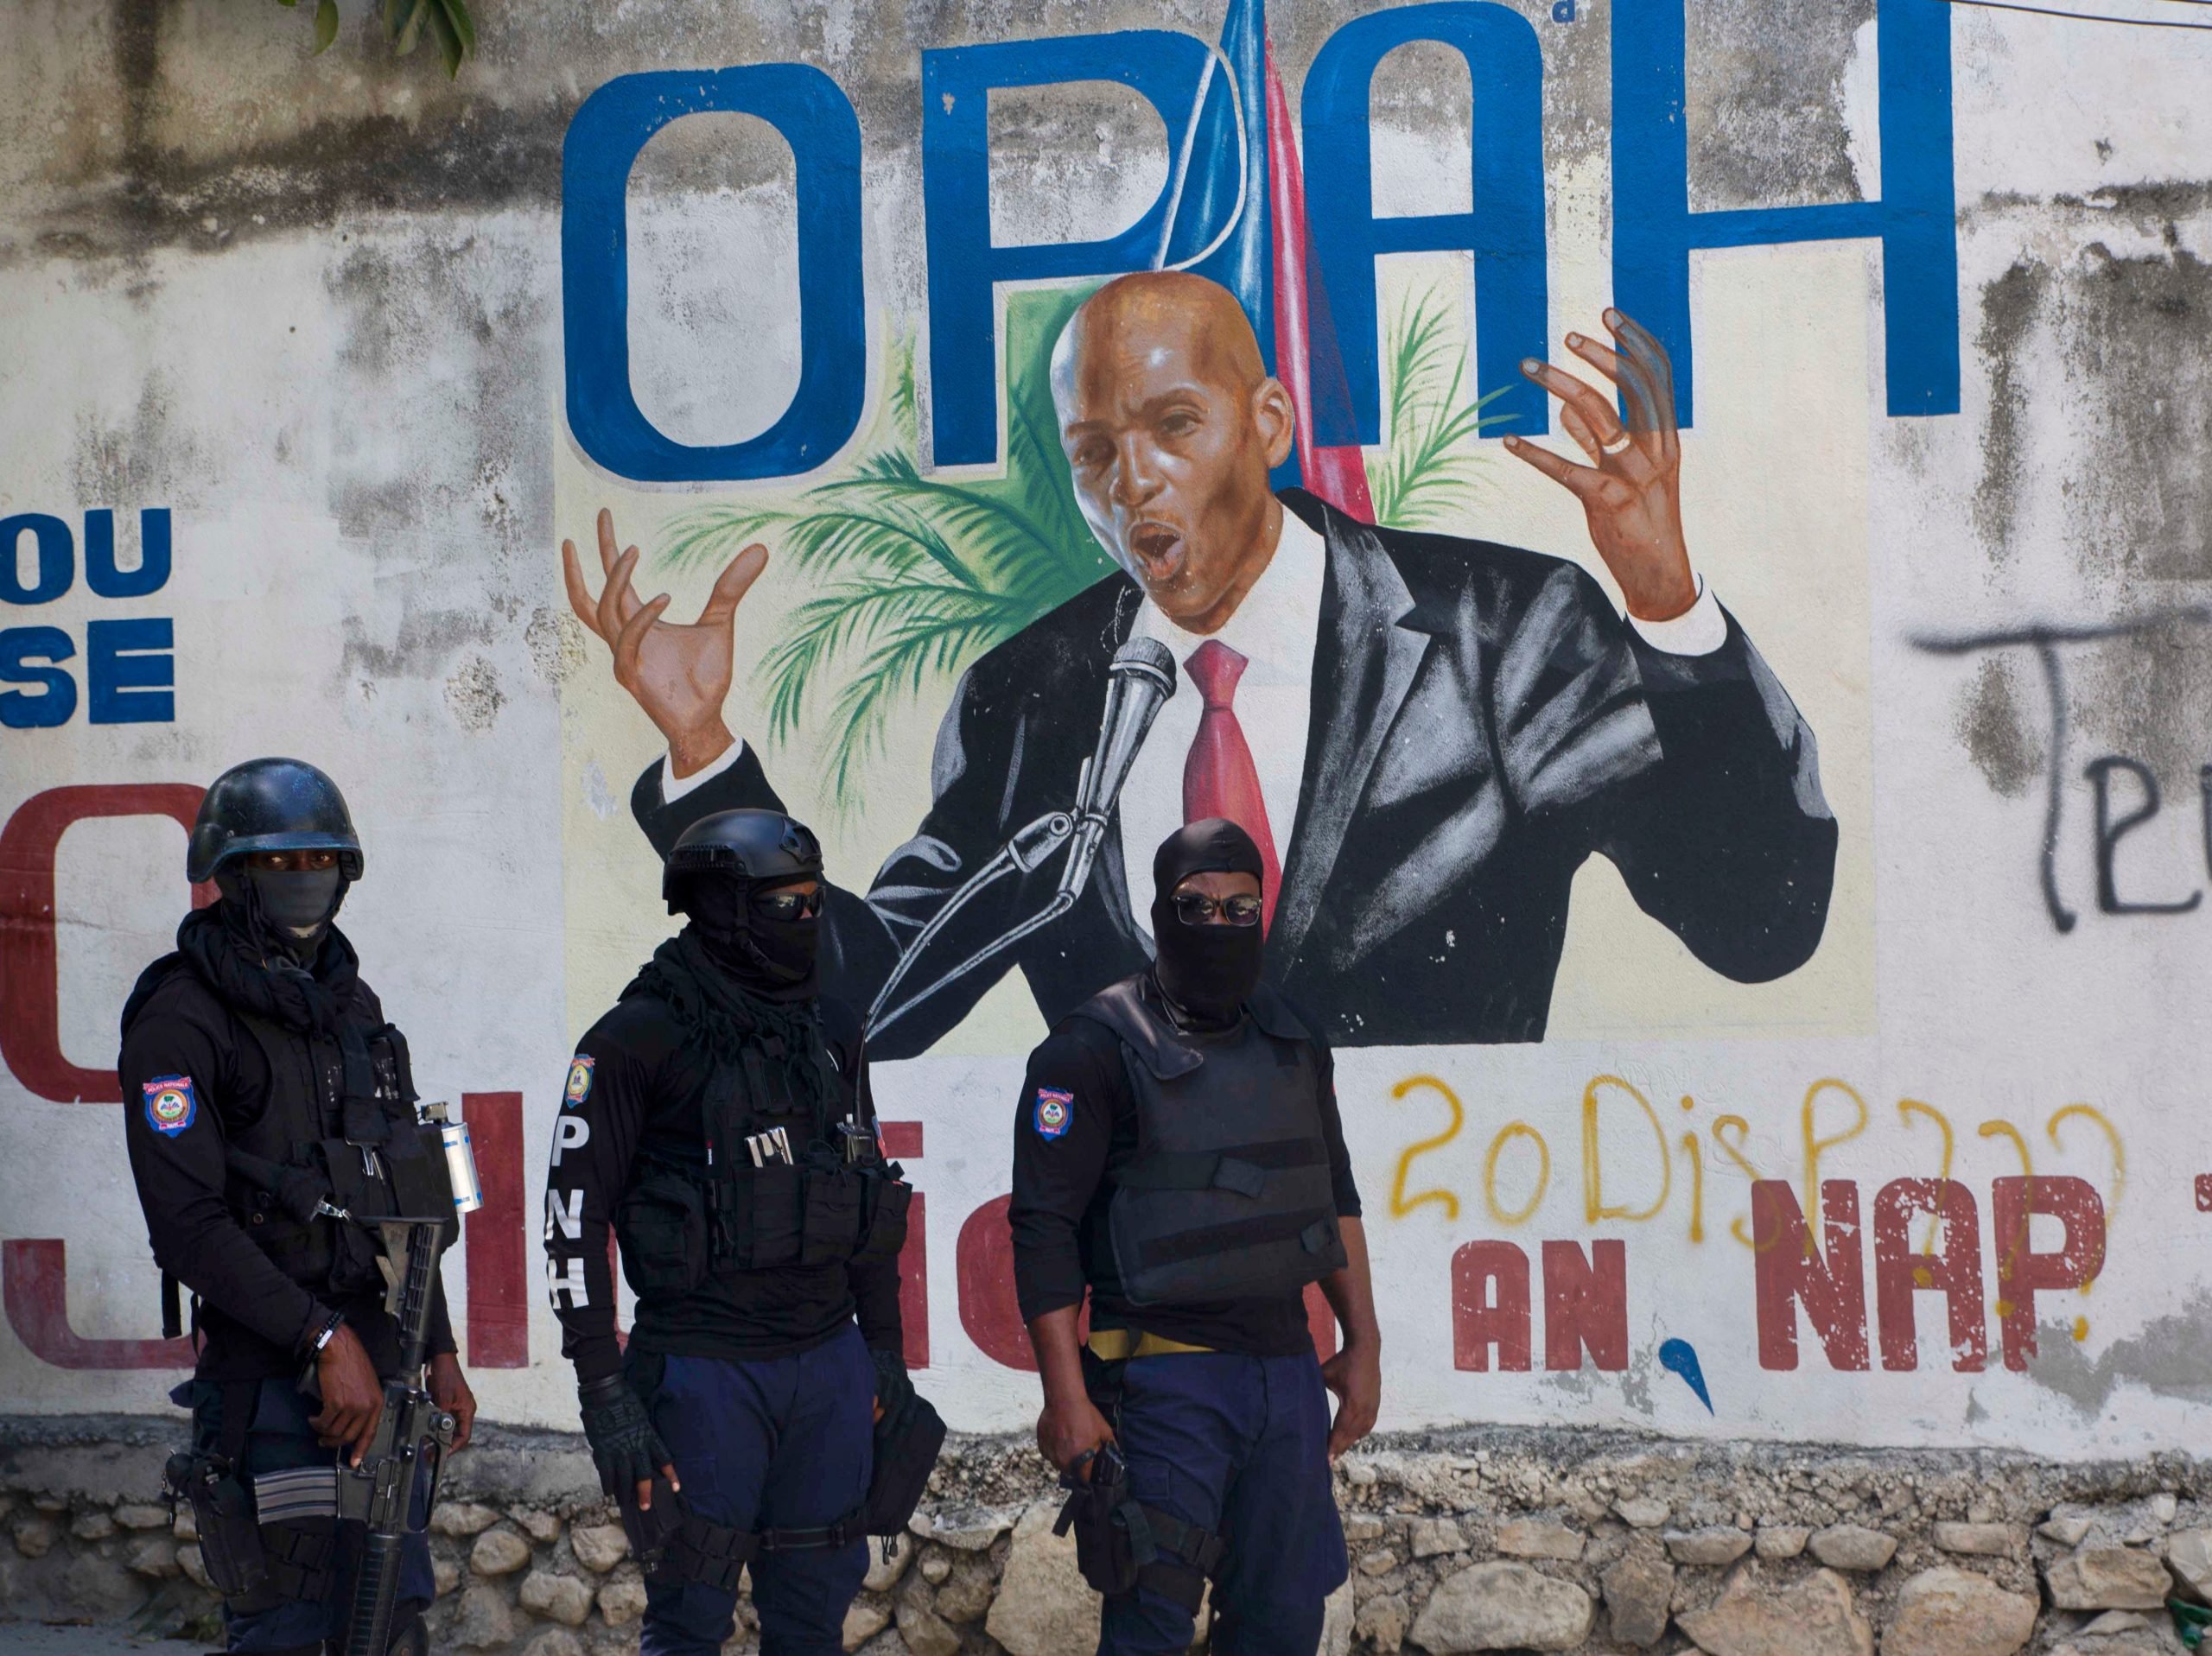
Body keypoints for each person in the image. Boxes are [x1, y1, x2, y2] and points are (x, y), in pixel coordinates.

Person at [563, 270, 1837, 1056]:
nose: (1134, 484)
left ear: (1268, 422)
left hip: (1432, 1261)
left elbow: (1760, 925)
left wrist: (1666, 602)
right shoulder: (1030, 697)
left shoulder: (1499, 631)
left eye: (1175, 425)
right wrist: (705, 759)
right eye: (1095, 450)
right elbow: (872, 1003)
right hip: (1143, 1312)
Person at [118, 756, 475, 1656]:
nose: (303, 881)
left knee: (390, 1628)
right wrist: (323, 1339)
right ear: (233, 875)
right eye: (278, 865)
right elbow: (188, 1227)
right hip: (271, 1382)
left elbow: (404, 1201)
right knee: (289, 1630)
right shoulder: (182, 1017)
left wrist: (438, 1348)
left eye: (320, 861)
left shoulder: (356, 1010)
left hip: (382, 1374)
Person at [544, 808, 916, 1656]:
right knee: (688, 1622)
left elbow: (863, 1198)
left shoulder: (830, 1030)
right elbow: (572, 1220)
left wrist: (883, 1352)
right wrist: (604, 1394)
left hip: (827, 1364)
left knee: (814, 1622)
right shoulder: (637, 1038)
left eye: (815, 901)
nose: (809, 921)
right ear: (720, 908)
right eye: (786, 905)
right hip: (700, 1375)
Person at [1007, 818, 1380, 1654]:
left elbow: (1336, 1194)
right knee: (1150, 1619)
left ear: (1263, 910)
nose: (1217, 924)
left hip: (1286, 1376)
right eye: (1195, 906)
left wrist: (1363, 1343)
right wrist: (1064, 1397)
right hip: (1160, 1383)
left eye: (1238, 907)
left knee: (1282, 1619)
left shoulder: (1292, 1036)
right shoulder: (1088, 1048)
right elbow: (1042, 1227)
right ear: (1159, 911)